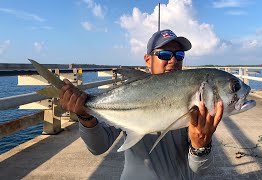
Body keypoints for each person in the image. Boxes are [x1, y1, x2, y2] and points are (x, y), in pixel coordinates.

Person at [59, 29, 223, 180]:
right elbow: (98, 147)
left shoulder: (196, 99)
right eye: (165, 54)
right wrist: (85, 115)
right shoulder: (128, 92)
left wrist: (201, 146)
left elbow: (200, 169)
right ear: (148, 59)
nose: (173, 60)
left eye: (179, 55)